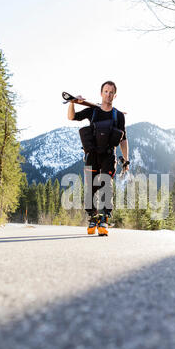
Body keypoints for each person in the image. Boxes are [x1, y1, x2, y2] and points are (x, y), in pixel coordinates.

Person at [68, 81, 129, 236]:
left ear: (115, 95)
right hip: (92, 155)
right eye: (105, 91)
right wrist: (72, 102)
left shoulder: (119, 115)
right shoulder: (92, 111)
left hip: (109, 155)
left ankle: (103, 218)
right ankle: (93, 217)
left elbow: (123, 139)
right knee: (90, 189)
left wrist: (126, 160)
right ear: (101, 93)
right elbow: (72, 117)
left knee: (105, 185)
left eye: (111, 92)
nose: (108, 94)